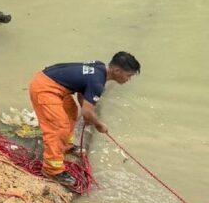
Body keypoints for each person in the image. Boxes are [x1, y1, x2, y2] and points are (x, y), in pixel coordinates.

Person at [29, 52, 141, 189]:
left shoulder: (99, 68)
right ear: (117, 71)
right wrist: (99, 124)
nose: (128, 79)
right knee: (58, 127)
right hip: (45, 88)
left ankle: (65, 146)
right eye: (128, 75)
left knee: (71, 112)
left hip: (51, 82)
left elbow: (82, 92)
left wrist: (87, 113)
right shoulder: (97, 83)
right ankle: (52, 169)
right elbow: (87, 111)